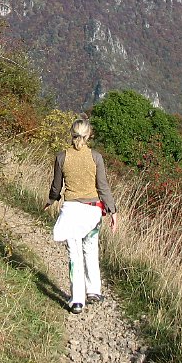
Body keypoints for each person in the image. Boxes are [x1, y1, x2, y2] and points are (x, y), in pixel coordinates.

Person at [45, 114, 118, 314]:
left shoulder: (62, 157)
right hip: (92, 211)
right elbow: (102, 187)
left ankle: (77, 300)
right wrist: (112, 210)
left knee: (74, 255)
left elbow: (56, 186)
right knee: (90, 248)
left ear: (71, 134)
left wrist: (51, 200)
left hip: (71, 211)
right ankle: (94, 290)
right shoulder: (96, 157)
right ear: (89, 135)